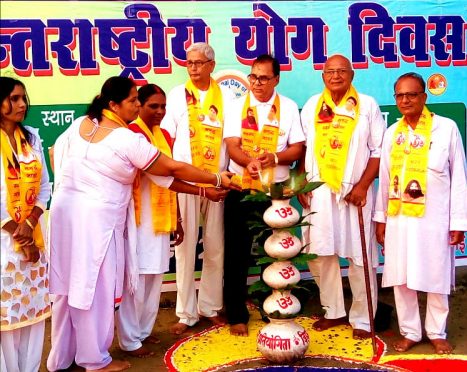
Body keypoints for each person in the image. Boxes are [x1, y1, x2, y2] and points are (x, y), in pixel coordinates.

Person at [46, 76, 236, 372]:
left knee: (68, 287)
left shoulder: (80, 124)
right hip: (98, 223)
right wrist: (216, 178)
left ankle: (63, 356)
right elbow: (171, 168)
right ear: (113, 104)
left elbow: (54, 153)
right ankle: (94, 360)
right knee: (94, 289)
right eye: (133, 100)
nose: (137, 105)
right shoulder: (126, 138)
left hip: (64, 217)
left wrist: (75, 184)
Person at [115, 84, 228, 358]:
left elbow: (169, 183)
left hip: (161, 216)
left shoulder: (163, 134)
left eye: (163, 106)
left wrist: (176, 217)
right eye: (153, 106)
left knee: (154, 275)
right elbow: (166, 176)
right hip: (138, 217)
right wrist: (206, 188)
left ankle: (142, 332)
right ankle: (129, 340)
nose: (160, 111)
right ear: (138, 106)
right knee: (137, 279)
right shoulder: (132, 135)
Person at [374, 72, 467, 354]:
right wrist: (381, 220)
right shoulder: (392, 133)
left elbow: (459, 177)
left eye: (411, 94)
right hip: (400, 220)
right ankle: (411, 331)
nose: (405, 100)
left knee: (436, 276)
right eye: (400, 95)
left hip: (434, 219)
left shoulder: (446, 128)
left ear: (424, 97)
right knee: (401, 278)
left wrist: (458, 222)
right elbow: (385, 178)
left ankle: (437, 332)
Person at [298, 54, 386, 339]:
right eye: (330, 71)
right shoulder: (313, 105)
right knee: (321, 253)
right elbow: (303, 149)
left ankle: (362, 317)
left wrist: (362, 186)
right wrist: (302, 185)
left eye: (341, 71)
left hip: (355, 193)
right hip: (319, 191)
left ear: (352, 75)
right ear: (323, 76)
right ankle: (333, 310)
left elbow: (378, 151)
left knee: (361, 256)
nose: (335, 76)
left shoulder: (367, 105)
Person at [223, 54, 305, 336]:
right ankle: (236, 313)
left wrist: (275, 157)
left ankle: (274, 306)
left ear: (276, 79)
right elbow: (232, 145)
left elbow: (297, 149)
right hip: (242, 188)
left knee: (277, 253)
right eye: (253, 76)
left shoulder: (289, 108)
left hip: (277, 192)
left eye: (263, 78)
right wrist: (250, 162)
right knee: (237, 252)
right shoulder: (236, 105)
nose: (257, 83)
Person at [161, 42, 233, 335]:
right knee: (185, 246)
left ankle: (210, 307)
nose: (193, 68)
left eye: (199, 63)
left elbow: (233, 139)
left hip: (217, 181)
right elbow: (167, 136)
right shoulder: (177, 95)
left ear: (212, 65)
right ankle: (186, 312)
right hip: (187, 182)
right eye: (189, 63)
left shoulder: (227, 96)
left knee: (215, 246)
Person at [0, 77, 51, 372]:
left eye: (22, 98)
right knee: (6, 316)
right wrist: (17, 231)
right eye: (14, 98)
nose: (21, 104)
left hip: (32, 238)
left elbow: (44, 187)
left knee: (32, 312)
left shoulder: (30, 137)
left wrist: (30, 224)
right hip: (5, 242)